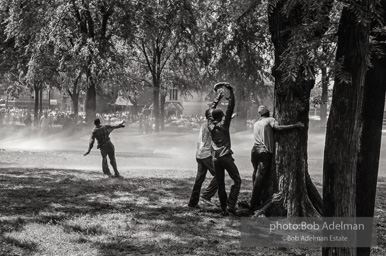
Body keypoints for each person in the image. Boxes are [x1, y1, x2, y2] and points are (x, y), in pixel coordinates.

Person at [248, 105, 304, 210]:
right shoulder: (270, 120)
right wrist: (295, 125)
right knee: (260, 178)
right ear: (268, 112)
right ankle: (253, 203)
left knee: (256, 175)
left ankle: (257, 198)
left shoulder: (257, 123)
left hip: (254, 151)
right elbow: (278, 128)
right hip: (264, 151)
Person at [208, 82, 241, 216]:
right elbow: (231, 107)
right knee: (237, 180)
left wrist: (218, 96)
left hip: (215, 158)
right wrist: (230, 91)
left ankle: (223, 209)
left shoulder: (210, 125)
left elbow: (210, 110)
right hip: (226, 156)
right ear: (222, 117)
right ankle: (231, 205)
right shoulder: (224, 124)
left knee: (220, 184)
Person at [188, 109, 218, 208]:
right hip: (206, 154)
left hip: (199, 154)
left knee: (199, 179)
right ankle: (206, 195)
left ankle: (193, 202)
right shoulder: (210, 126)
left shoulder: (203, 124)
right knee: (218, 175)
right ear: (210, 117)